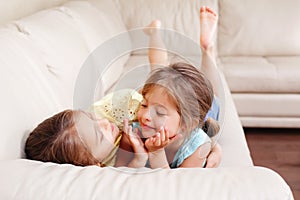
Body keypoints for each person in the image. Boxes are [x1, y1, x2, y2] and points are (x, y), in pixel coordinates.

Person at [25, 6, 221, 168]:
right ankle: (191, 46)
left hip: (172, 111)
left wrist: (213, 146)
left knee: (204, 93)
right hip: (181, 113)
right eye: (144, 106)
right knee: (183, 87)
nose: (101, 121)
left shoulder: (128, 117)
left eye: (93, 118)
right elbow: (165, 183)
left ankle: (204, 49)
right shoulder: (135, 132)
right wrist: (152, 152)